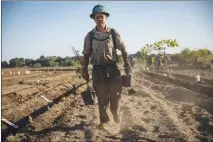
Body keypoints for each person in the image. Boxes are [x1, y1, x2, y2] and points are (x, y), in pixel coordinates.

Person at [82, 4, 131, 124]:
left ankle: (114, 112)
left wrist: (126, 64)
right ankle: (104, 121)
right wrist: (84, 69)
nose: (100, 19)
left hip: (113, 69)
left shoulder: (113, 33)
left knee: (115, 95)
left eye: (102, 16)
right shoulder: (90, 36)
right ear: (94, 18)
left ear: (106, 17)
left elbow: (123, 49)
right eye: (97, 17)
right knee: (101, 97)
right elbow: (86, 54)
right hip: (98, 70)